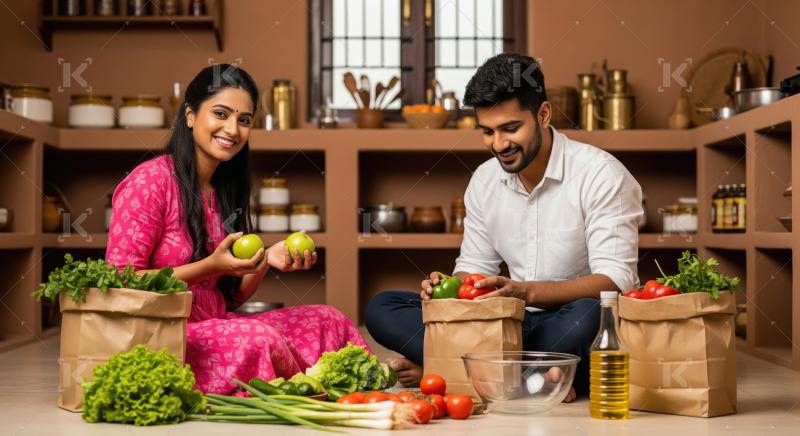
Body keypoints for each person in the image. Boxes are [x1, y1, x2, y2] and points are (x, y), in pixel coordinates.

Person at [365, 53, 643, 401]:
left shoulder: (601, 174)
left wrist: (525, 292)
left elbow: (615, 281)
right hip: (503, 323)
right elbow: (474, 269)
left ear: (543, 114)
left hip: (565, 320)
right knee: (383, 307)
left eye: (510, 129)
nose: (498, 145)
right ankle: (541, 377)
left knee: (589, 316)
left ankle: (458, 368)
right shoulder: (484, 180)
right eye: (487, 132)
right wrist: (444, 290)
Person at [106, 64, 369, 394]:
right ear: (190, 115)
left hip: (215, 326)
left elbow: (228, 299)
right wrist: (209, 266)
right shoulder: (151, 181)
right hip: (163, 334)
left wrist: (265, 261)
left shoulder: (223, 191)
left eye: (244, 120)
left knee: (327, 320)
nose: (232, 129)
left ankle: (348, 395)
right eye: (221, 114)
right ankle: (303, 392)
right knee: (257, 338)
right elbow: (119, 284)